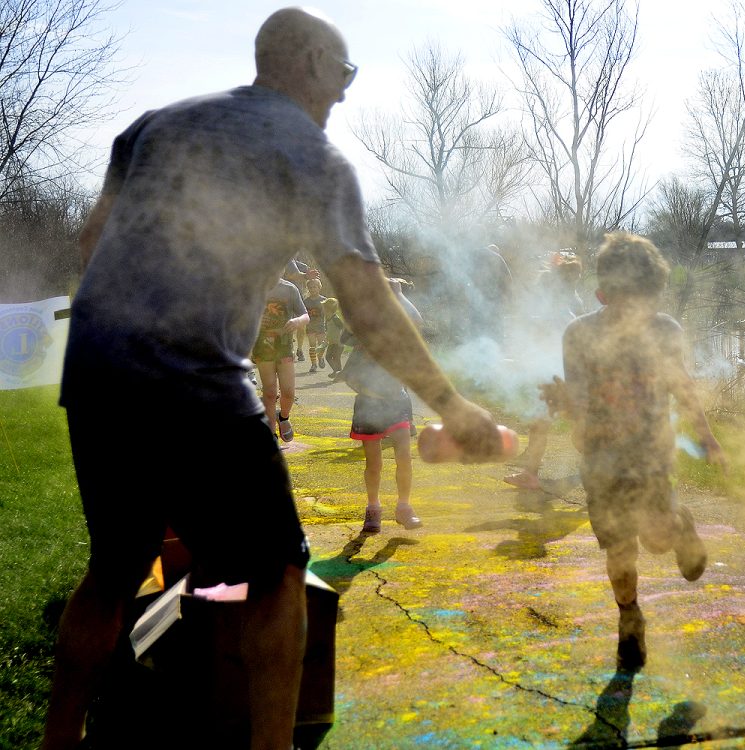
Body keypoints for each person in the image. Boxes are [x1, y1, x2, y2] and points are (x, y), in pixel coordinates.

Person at [43, 8, 500, 749]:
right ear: (311, 62)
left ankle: (57, 741)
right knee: (281, 573)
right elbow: (366, 301)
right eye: (344, 74)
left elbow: (94, 240)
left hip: (99, 373)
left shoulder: (153, 125)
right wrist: (450, 402)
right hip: (195, 379)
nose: (345, 95)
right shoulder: (311, 155)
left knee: (114, 568)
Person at [547, 231, 726, 670]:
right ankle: (629, 618)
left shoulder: (665, 330)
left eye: (646, 299)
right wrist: (568, 405)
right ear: (604, 291)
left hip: (651, 455)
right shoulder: (579, 334)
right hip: (601, 461)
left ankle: (680, 527)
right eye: (627, 298)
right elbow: (579, 399)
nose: (637, 310)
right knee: (620, 550)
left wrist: (708, 439)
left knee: (658, 539)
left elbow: (682, 388)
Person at [344, 279, 424, 532]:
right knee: (374, 463)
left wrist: (399, 294)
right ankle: (373, 508)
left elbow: (417, 321)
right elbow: (350, 376)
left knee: (404, 456)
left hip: (397, 400)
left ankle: (404, 507)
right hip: (370, 404)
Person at [504, 250, 586, 492]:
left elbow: (549, 338)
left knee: (569, 428)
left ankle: (604, 467)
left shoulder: (562, 308)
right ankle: (530, 474)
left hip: (561, 375)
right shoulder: (572, 303)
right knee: (549, 425)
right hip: (563, 374)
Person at [251, 277, 309, 442]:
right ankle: (271, 433)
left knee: (289, 392)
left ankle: (283, 417)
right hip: (262, 345)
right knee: (269, 392)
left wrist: (297, 321)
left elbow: (305, 315)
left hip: (283, 346)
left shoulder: (289, 289)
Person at [302, 277, 328, 372]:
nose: (313, 289)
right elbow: (303, 313)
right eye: (311, 287)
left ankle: (320, 357)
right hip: (310, 327)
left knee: (321, 345)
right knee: (312, 345)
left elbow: (328, 313)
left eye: (315, 287)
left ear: (319, 287)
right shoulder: (306, 301)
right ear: (308, 289)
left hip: (321, 326)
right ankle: (313, 364)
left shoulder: (324, 300)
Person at [322, 296, 346, 377]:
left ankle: (338, 372)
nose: (323, 310)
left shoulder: (335, 318)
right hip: (332, 342)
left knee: (336, 357)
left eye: (324, 308)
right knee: (328, 357)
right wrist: (326, 339)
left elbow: (343, 327)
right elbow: (328, 331)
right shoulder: (327, 319)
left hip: (338, 343)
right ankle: (337, 371)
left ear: (329, 309)